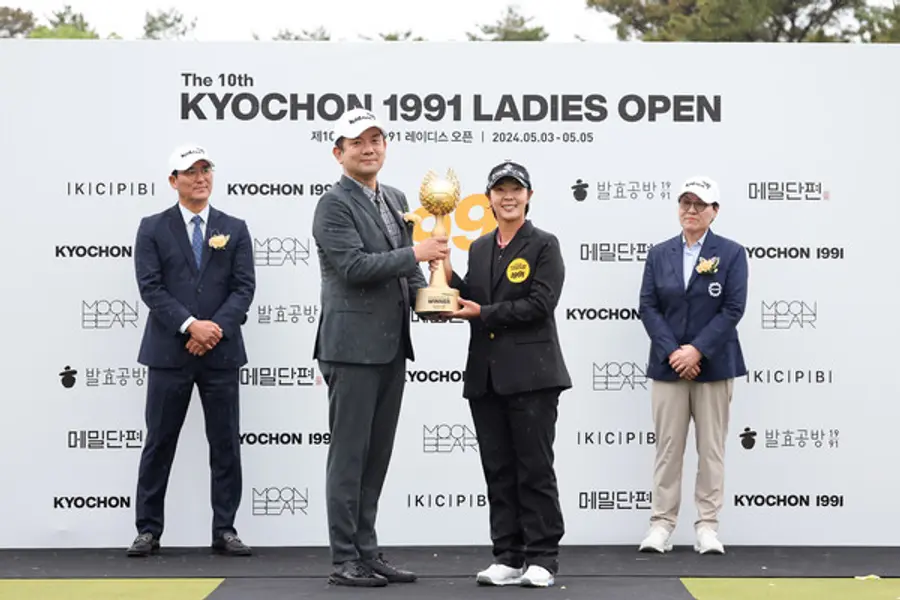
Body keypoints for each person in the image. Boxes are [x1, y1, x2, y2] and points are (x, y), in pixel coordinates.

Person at [312, 108, 449, 587]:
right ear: (339, 153)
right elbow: (354, 267)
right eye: (357, 142)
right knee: (349, 456)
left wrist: (431, 301)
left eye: (376, 139)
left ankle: (366, 551)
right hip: (350, 349)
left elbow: (407, 272)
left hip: (391, 347)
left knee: (375, 457)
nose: (369, 148)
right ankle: (344, 557)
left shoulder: (394, 198)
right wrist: (417, 253)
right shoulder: (332, 204)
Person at [434, 160, 570, 588]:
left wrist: (483, 312)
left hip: (533, 377)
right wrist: (444, 273)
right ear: (488, 198)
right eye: (500, 190)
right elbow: (473, 296)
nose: (508, 196)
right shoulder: (479, 247)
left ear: (529, 196)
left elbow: (540, 304)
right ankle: (508, 556)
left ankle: (542, 557)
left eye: (516, 189)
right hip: (486, 377)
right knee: (498, 469)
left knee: (534, 469)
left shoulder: (544, 244)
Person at [127, 144, 255, 558]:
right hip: (169, 353)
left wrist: (213, 329)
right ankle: (148, 530)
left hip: (221, 352)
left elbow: (243, 288)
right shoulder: (152, 227)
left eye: (206, 170)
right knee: (159, 442)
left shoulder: (234, 228)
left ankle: (225, 529)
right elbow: (151, 287)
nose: (200, 178)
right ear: (173, 180)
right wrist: (189, 325)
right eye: (191, 172)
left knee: (225, 444)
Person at [637, 175, 748, 555]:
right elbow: (648, 306)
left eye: (700, 204)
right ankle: (661, 524)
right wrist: (675, 352)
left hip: (714, 366)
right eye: (686, 203)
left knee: (711, 449)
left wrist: (697, 351)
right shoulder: (659, 254)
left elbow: (733, 308)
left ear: (715, 211)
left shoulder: (731, 253)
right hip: (669, 367)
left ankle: (707, 526)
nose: (691, 210)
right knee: (668, 449)